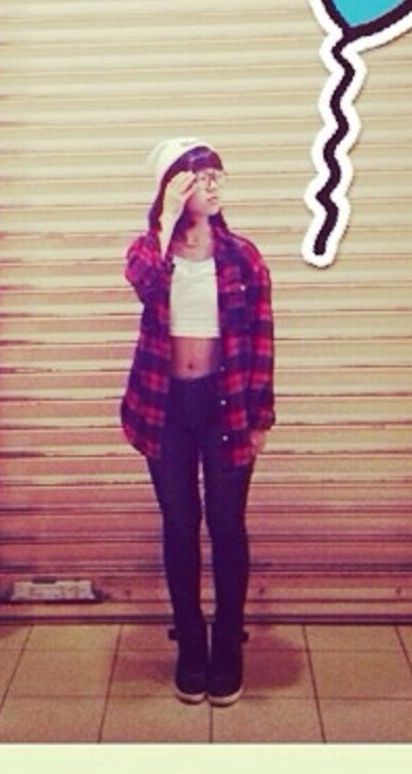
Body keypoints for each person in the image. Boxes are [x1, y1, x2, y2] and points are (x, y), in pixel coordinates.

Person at [121, 138, 275, 707]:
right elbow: (142, 282)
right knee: (180, 524)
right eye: (199, 177)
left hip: (227, 405)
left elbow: (262, 339)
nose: (212, 185)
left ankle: (227, 645)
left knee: (228, 525)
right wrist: (163, 222)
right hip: (164, 407)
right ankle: (190, 642)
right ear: (173, 188)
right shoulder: (152, 252)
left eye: (217, 176)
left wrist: (261, 418)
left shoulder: (243, 256)